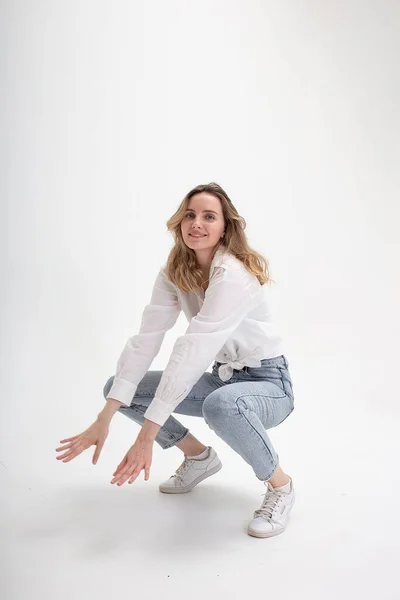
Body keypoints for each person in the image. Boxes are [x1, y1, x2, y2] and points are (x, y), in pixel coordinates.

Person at [55, 182, 296, 538]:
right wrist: (104, 418)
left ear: (225, 227)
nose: (196, 223)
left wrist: (145, 437)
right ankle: (199, 457)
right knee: (119, 388)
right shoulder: (174, 273)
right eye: (190, 214)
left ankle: (281, 486)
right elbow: (145, 341)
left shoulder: (233, 276)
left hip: (268, 384)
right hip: (222, 378)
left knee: (220, 405)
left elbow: (194, 347)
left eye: (208, 216)